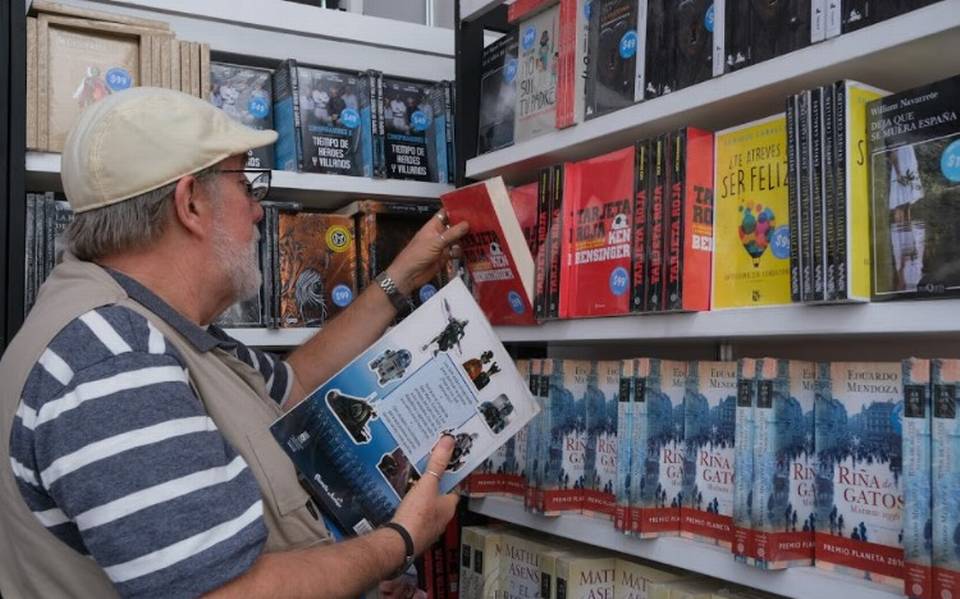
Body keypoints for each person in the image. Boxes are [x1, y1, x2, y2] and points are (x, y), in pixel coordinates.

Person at [0, 87, 469, 598]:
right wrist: (400, 540)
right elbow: (224, 593)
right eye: (246, 185)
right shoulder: (113, 359)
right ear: (191, 203)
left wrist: (401, 277)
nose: (258, 211)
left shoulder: (156, 324)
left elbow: (293, 385)